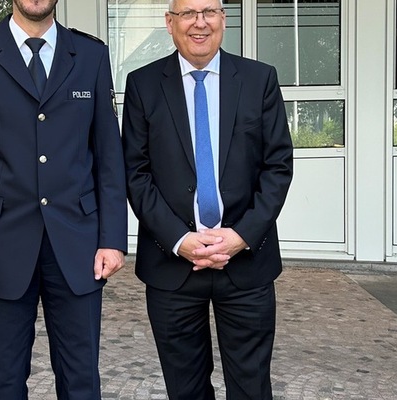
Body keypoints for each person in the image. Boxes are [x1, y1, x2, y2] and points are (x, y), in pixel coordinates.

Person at [0, 0, 128, 398]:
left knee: (81, 381)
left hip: (77, 245)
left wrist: (112, 238)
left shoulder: (90, 54)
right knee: (4, 382)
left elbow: (109, 156)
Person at [121, 0, 294, 398]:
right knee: (185, 389)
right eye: (187, 13)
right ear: (170, 22)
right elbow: (135, 172)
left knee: (251, 387)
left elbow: (278, 166)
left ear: (223, 19)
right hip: (172, 266)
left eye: (209, 12)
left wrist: (241, 235)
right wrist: (181, 241)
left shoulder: (258, 79)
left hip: (247, 263)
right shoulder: (143, 84)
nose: (200, 23)